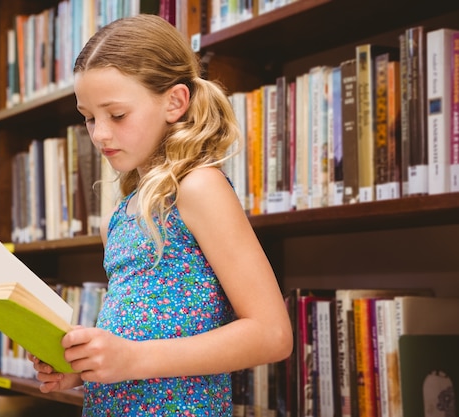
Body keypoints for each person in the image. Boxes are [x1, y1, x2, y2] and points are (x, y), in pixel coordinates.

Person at [28, 13, 293, 416]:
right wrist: (83, 368)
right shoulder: (119, 217)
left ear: (174, 102)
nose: (99, 134)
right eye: (88, 117)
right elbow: (134, 335)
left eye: (116, 115)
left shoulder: (200, 188)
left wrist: (132, 359)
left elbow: (272, 334)